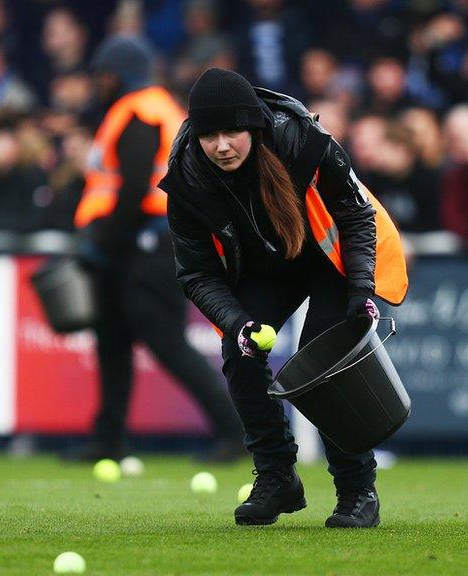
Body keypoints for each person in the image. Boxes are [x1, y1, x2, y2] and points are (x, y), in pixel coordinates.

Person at [159, 68, 408, 528]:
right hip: (269, 268)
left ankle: (357, 492)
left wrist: (359, 290)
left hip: (329, 257)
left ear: (253, 127)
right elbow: (196, 274)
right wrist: (238, 324)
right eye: (209, 135)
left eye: (231, 131)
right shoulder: (187, 179)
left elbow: (357, 216)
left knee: (328, 365)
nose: (222, 145)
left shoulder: (302, 139)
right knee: (240, 354)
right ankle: (277, 478)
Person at [69, 38, 243, 463]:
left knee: (167, 343)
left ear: (120, 73)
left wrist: (100, 242)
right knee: (111, 341)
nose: (99, 82)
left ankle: (236, 433)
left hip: (143, 246)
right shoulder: (153, 107)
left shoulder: (140, 112)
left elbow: (131, 189)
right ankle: (108, 439)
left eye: (104, 73)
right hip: (133, 244)